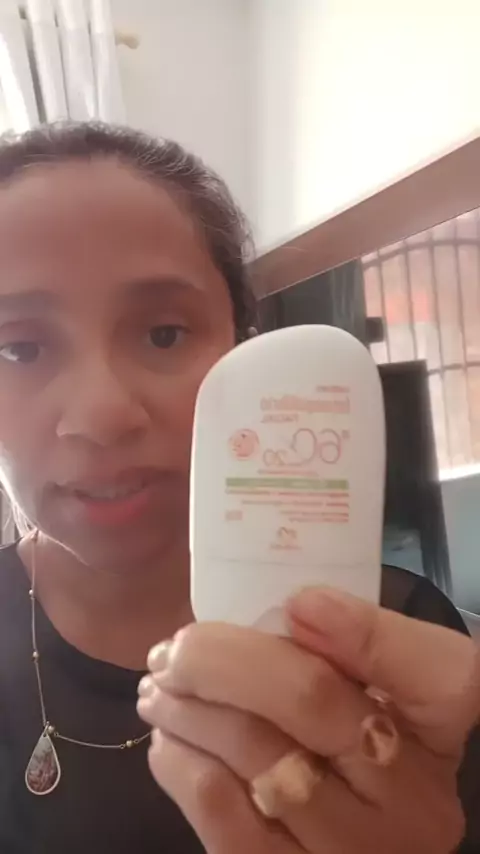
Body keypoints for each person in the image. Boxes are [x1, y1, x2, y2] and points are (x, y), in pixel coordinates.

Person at [0, 121, 476, 854]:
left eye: (163, 334)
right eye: (18, 348)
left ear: (245, 359)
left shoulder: (402, 639)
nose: (101, 415)